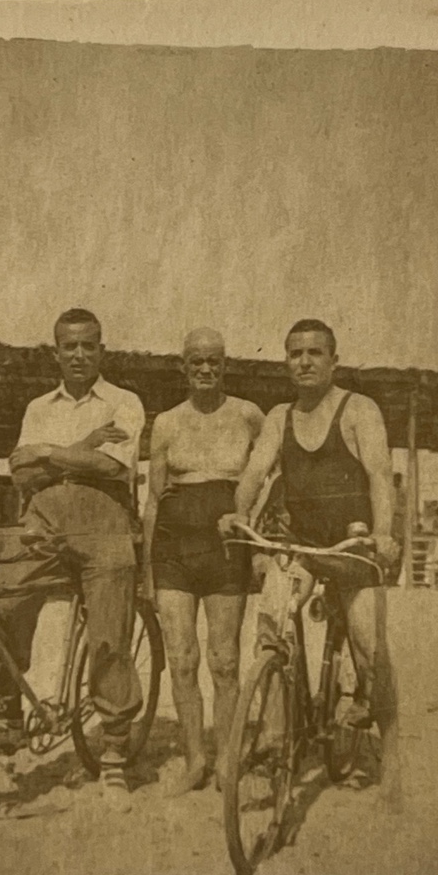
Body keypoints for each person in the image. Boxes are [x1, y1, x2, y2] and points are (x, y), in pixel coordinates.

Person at [0, 308, 145, 808]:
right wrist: (78, 448)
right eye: (69, 347)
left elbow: (111, 466)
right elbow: (19, 473)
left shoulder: (125, 402)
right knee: (3, 604)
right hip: (44, 518)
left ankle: (115, 754)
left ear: (102, 350)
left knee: (108, 635)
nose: (79, 354)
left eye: (89, 345)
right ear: (55, 352)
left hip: (103, 522)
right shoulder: (38, 406)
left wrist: (47, 454)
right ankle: (9, 714)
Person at [220, 319, 398, 730]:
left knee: (368, 644)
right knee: (271, 626)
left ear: (334, 361)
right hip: (300, 546)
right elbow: (253, 473)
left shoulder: (359, 410)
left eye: (314, 352)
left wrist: (384, 533)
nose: (304, 361)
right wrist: (240, 513)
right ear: (286, 362)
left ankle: (366, 702)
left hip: (351, 547)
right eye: (295, 353)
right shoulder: (279, 417)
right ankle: (277, 730)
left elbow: (379, 476)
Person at [144, 328, 264, 793]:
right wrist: (148, 570)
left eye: (214, 361)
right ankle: (195, 758)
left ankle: (228, 758)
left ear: (225, 365)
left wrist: (250, 521)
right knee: (181, 658)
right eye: (197, 362)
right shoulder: (168, 422)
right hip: (173, 549)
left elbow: (269, 473)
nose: (206, 370)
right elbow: (154, 499)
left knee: (225, 660)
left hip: (225, 548)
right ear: (184, 367)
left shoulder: (247, 415)